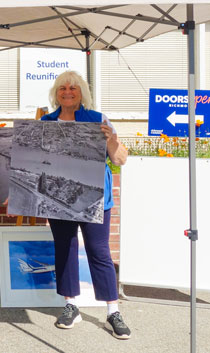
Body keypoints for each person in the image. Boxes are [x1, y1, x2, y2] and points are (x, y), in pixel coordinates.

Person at [41, 70, 131, 340]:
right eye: (62, 88)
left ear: (82, 93)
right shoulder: (46, 122)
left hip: (94, 198)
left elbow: (120, 159)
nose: (68, 92)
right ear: (56, 93)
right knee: (65, 250)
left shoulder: (98, 120)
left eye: (73, 88)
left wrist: (111, 140)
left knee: (99, 251)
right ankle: (71, 306)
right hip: (60, 198)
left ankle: (113, 311)